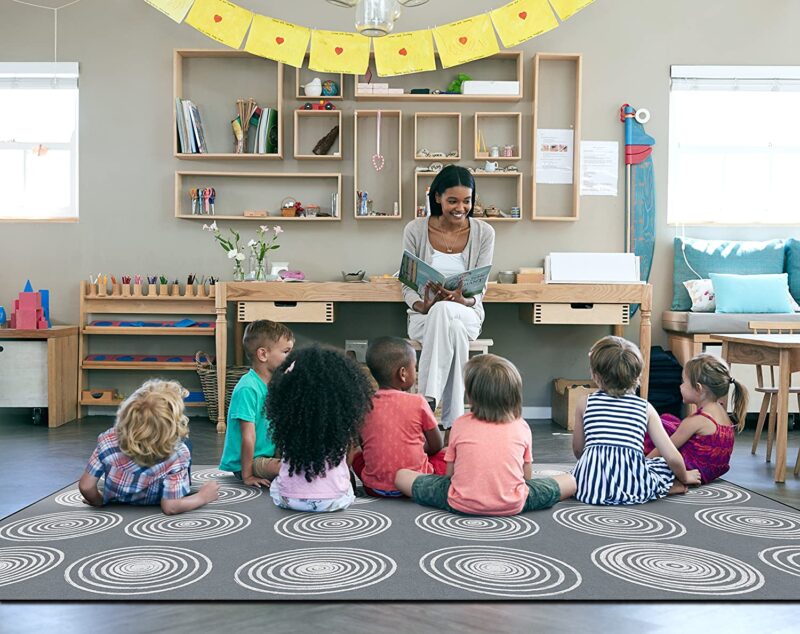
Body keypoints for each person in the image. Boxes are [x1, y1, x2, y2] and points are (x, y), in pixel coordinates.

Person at [395, 354, 576, 516]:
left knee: (401, 476)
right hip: (513, 503)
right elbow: (526, 478)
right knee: (570, 481)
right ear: (514, 395)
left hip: (459, 501)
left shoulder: (460, 423)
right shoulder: (521, 426)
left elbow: (450, 475)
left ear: (471, 396)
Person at [402, 164, 495, 431]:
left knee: (448, 314)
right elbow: (408, 284)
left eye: (467, 201)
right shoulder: (415, 230)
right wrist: (423, 304)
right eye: (452, 200)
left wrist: (463, 300)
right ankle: (452, 423)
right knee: (448, 323)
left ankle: (426, 402)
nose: (460, 208)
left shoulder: (484, 233)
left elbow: (481, 287)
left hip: (467, 313)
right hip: (424, 317)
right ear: (438, 197)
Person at [572, 336, 702, 505]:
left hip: (590, 487)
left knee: (576, 475)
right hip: (633, 485)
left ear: (595, 375)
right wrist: (685, 476)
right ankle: (667, 487)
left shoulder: (585, 402)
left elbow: (578, 450)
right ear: (637, 375)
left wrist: (593, 464)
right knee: (660, 465)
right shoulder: (645, 408)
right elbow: (672, 456)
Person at [79, 380, 219, 515]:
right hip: (156, 501)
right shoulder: (178, 454)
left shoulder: (107, 440)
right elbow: (171, 507)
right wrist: (203, 496)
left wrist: (98, 501)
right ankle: (180, 488)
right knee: (186, 444)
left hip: (119, 499)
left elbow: (86, 487)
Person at [267, 345, 373, 512]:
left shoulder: (289, 421)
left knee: (277, 484)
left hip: (289, 499)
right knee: (345, 477)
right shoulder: (340, 424)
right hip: (333, 501)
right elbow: (348, 461)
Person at [351, 336, 446, 497]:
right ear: (403, 373)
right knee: (446, 454)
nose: (415, 372)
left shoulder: (364, 405)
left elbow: (364, 445)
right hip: (416, 484)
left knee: (356, 454)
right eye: (414, 368)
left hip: (374, 488)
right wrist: (416, 449)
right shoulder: (418, 402)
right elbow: (437, 445)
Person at [644, 353, 749, 484]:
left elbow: (664, 448)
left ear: (698, 388)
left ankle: (674, 483)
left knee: (659, 428)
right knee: (669, 421)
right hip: (712, 470)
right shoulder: (721, 411)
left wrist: (643, 465)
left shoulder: (697, 420)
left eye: (684, 382)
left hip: (693, 470)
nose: (680, 386)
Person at [219, 320, 294, 487]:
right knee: (292, 467)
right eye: (286, 352)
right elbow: (248, 436)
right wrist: (248, 476)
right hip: (249, 462)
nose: (291, 357)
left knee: (304, 458)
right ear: (263, 355)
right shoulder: (247, 388)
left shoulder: (276, 384)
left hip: (268, 455)